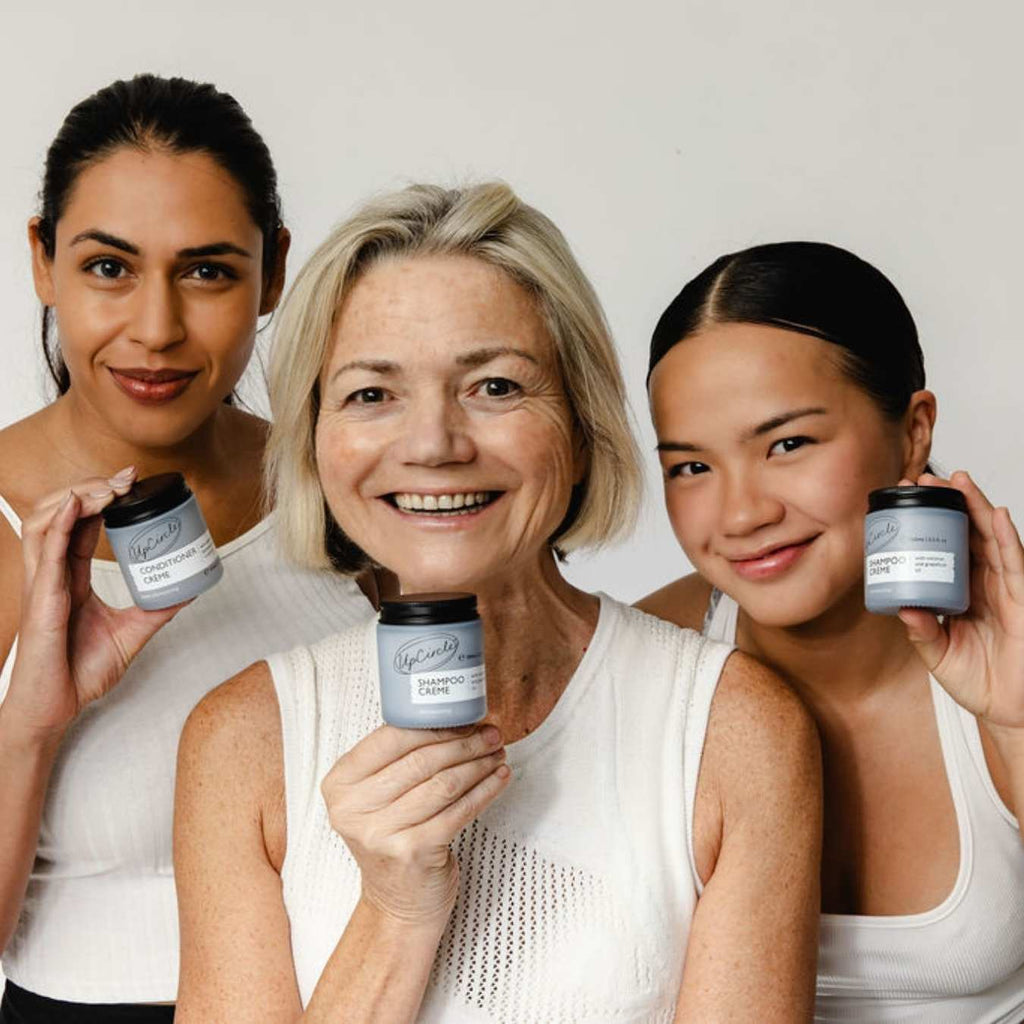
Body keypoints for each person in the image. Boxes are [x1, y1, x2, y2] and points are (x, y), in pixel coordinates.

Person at [173, 181, 822, 1023]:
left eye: (496, 387)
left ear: (583, 426)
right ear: (316, 444)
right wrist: (396, 912)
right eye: (372, 394)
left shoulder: (734, 730)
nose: (435, 443)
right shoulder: (243, 742)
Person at [0, 75, 373, 1022]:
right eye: (108, 268)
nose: (157, 329)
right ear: (42, 259)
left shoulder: (347, 488)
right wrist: (31, 728)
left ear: (274, 272)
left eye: (207, 270)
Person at [640, 241, 1024, 1023]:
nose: (742, 514)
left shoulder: (1014, 642)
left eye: (788, 444)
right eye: (691, 467)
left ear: (913, 430)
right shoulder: (642, 660)